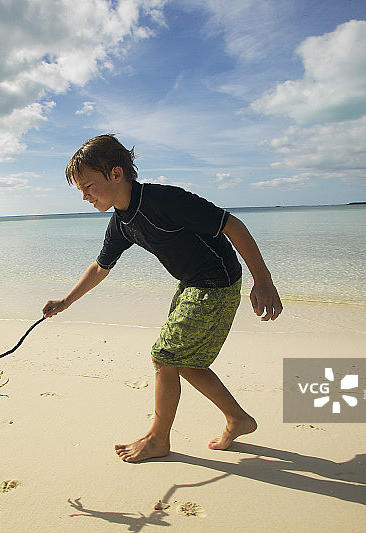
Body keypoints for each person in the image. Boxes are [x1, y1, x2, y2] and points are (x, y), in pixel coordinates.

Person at [43, 134, 283, 463]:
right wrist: (66, 301)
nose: (84, 196)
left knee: (165, 356)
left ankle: (158, 439)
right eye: (81, 190)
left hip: (216, 283)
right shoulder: (120, 223)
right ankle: (238, 419)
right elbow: (101, 267)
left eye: (88, 186)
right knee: (184, 361)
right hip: (192, 284)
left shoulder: (164, 201)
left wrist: (263, 280)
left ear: (116, 174)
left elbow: (232, 225)